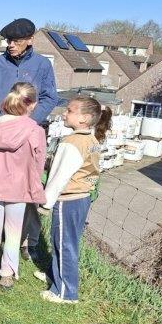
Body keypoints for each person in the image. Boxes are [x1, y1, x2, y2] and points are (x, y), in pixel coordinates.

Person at [0, 18, 59, 262]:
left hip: (28, 134)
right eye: (8, 41)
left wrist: (28, 123)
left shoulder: (43, 66)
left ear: (30, 40)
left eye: (16, 41)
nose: (10, 45)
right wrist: (0, 121)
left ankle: (24, 240)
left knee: (25, 184)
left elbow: (49, 97)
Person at [34, 96, 112, 303]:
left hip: (68, 199)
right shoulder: (92, 140)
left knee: (64, 243)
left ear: (84, 118)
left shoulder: (72, 143)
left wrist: (46, 202)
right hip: (82, 197)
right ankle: (55, 274)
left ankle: (65, 292)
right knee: (65, 241)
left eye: (69, 111)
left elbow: (59, 176)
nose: (64, 113)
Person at [0, 83, 47, 290]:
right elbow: (38, 163)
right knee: (14, 231)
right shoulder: (35, 130)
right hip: (19, 187)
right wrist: (35, 187)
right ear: (33, 104)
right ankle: (7, 273)